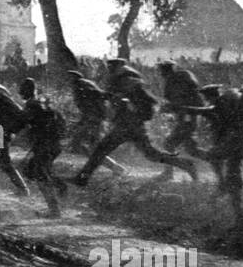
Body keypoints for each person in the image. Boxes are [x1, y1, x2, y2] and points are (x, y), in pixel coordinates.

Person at [72, 59, 196, 187]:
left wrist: (120, 100)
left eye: (112, 66)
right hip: (131, 125)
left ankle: (82, 179)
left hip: (128, 124)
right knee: (151, 154)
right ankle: (184, 164)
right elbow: (119, 97)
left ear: (120, 66)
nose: (109, 68)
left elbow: (139, 98)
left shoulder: (127, 78)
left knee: (101, 149)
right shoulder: (122, 78)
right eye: (109, 66)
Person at [177, 86, 243, 218]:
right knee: (231, 172)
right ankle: (237, 211)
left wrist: (185, 109)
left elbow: (207, 111)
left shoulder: (223, 105)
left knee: (211, 157)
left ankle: (229, 198)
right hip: (241, 145)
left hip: (233, 144)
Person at [18, 78, 66, 218]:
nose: (21, 93)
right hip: (52, 144)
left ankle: (54, 210)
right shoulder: (42, 102)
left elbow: (22, 123)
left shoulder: (31, 105)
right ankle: (60, 187)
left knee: (40, 173)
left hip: (45, 145)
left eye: (23, 90)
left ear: (27, 91)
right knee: (33, 170)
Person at [64, 70, 126, 176]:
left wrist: (115, 97)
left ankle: (116, 168)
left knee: (87, 147)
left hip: (94, 120)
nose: (66, 80)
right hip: (93, 119)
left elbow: (98, 95)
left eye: (68, 78)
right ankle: (114, 168)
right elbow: (92, 101)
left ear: (73, 78)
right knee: (81, 146)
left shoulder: (81, 85)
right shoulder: (81, 85)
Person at [156, 61, 204, 174]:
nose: (160, 74)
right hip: (189, 117)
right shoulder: (182, 78)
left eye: (161, 71)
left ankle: (171, 171)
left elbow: (178, 102)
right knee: (192, 149)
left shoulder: (175, 82)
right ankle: (216, 159)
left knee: (168, 144)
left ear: (164, 71)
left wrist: (168, 108)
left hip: (187, 118)